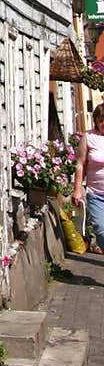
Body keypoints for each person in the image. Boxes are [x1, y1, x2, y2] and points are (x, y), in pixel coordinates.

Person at [71, 103, 104, 254]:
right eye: (101, 120)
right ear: (96, 121)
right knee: (100, 229)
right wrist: (77, 190)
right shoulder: (89, 137)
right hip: (96, 193)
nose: (103, 123)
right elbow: (80, 164)